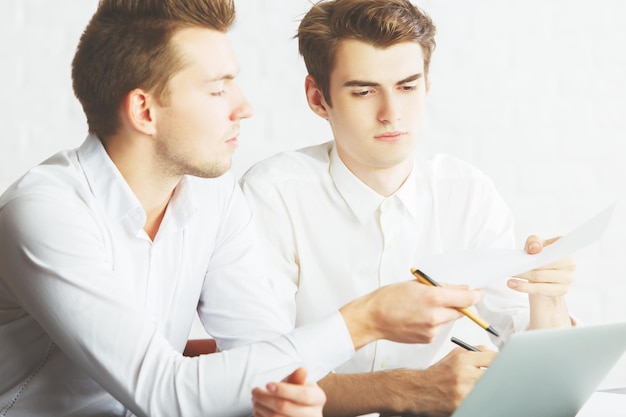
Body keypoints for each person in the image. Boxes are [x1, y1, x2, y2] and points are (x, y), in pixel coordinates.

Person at [0, 1, 490, 416]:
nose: (244, 107)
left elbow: (270, 359)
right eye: (218, 89)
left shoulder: (211, 196)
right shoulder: (44, 213)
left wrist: (286, 397)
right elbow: (164, 391)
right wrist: (364, 320)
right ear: (144, 111)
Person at [239, 0, 576, 415]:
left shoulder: (467, 192)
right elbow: (257, 375)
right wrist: (407, 389)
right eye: (363, 91)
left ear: (428, 85)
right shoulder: (273, 195)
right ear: (317, 98)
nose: (391, 114)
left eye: (407, 86)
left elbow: (543, 373)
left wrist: (548, 297)